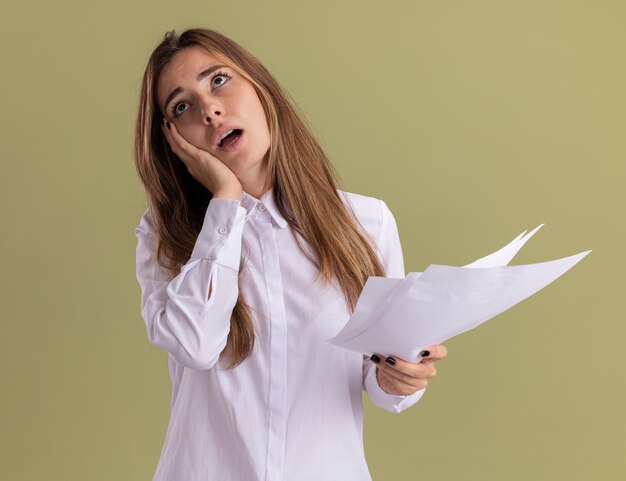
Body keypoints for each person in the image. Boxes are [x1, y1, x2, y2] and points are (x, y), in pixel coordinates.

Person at [133, 27, 448, 481]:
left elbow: (379, 374)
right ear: (174, 138)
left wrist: (401, 378)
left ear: (259, 87)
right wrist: (225, 200)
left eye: (218, 80)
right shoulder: (166, 235)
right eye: (181, 107)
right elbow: (193, 344)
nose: (210, 110)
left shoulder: (366, 223)